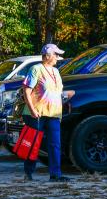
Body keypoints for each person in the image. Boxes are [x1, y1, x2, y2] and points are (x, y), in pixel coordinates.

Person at [21, 44, 73, 182]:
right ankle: (28, 172)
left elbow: (57, 92)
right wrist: (32, 110)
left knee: (55, 144)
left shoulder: (56, 71)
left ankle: (56, 174)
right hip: (36, 113)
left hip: (54, 114)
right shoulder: (36, 69)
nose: (58, 57)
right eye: (55, 54)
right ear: (47, 55)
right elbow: (26, 91)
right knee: (33, 143)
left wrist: (65, 102)